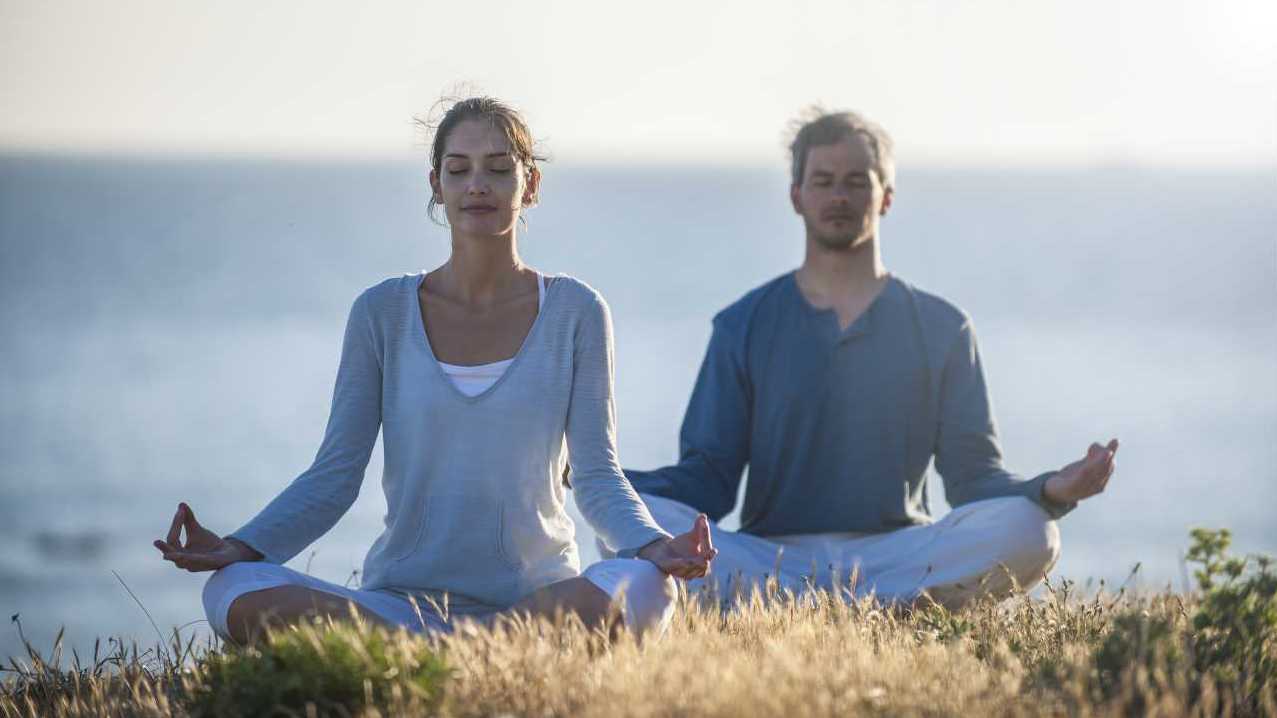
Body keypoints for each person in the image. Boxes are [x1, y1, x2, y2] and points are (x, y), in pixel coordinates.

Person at [154, 97, 716, 645]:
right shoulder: (381, 313)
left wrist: (651, 545)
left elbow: (596, 476)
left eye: (499, 169)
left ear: (530, 185)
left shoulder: (577, 311)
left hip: (539, 601)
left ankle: (444, 654)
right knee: (232, 590)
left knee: (647, 587)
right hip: (399, 604)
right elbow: (333, 478)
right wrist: (240, 547)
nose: (478, 184)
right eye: (459, 169)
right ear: (436, 185)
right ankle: (471, 653)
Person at [619, 108, 1118, 610]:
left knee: (1032, 531)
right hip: (773, 557)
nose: (839, 196)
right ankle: (871, 608)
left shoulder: (942, 327)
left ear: (887, 196)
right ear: (797, 196)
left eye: (857, 181)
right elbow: (706, 478)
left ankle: (822, 608)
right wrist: (603, 478)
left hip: (900, 553)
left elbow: (974, 478)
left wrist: (1052, 490)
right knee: (636, 521)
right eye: (824, 181)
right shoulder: (743, 325)